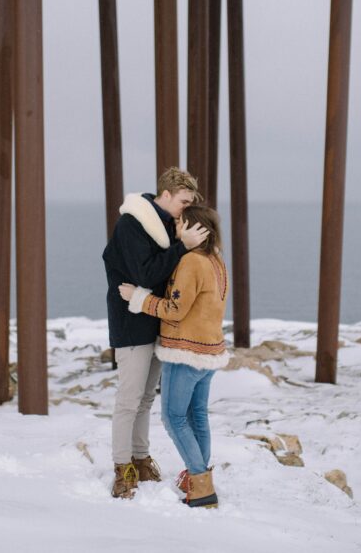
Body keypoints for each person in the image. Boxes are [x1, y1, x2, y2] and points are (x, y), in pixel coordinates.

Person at [101, 167, 209, 499]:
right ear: (165, 195)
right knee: (129, 399)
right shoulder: (133, 224)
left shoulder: (167, 224)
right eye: (183, 201)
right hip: (131, 323)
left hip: (157, 321)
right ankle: (123, 468)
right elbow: (145, 273)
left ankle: (141, 457)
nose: (186, 208)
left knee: (146, 399)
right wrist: (183, 246)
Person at [119, 204, 228, 509]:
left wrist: (138, 298)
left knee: (174, 418)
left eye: (180, 223)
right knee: (197, 417)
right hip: (209, 350)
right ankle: (198, 479)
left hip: (185, 352)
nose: (176, 227)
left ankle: (201, 485)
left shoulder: (192, 261)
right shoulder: (216, 259)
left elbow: (174, 309)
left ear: (194, 228)